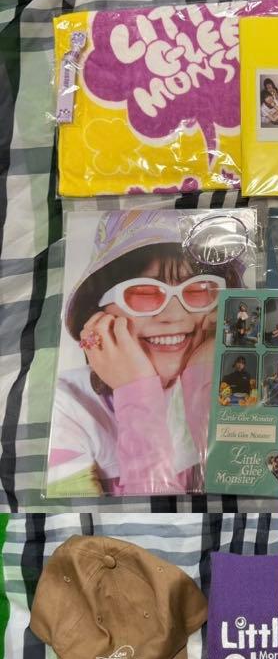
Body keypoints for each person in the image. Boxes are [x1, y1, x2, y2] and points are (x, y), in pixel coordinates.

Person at [51, 210, 244, 496]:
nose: (174, 315)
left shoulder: (238, 376)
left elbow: (241, 495)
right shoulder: (66, 406)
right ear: (97, 310)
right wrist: (136, 392)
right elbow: (150, 517)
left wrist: (203, 380)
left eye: (198, 290)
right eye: (143, 292)